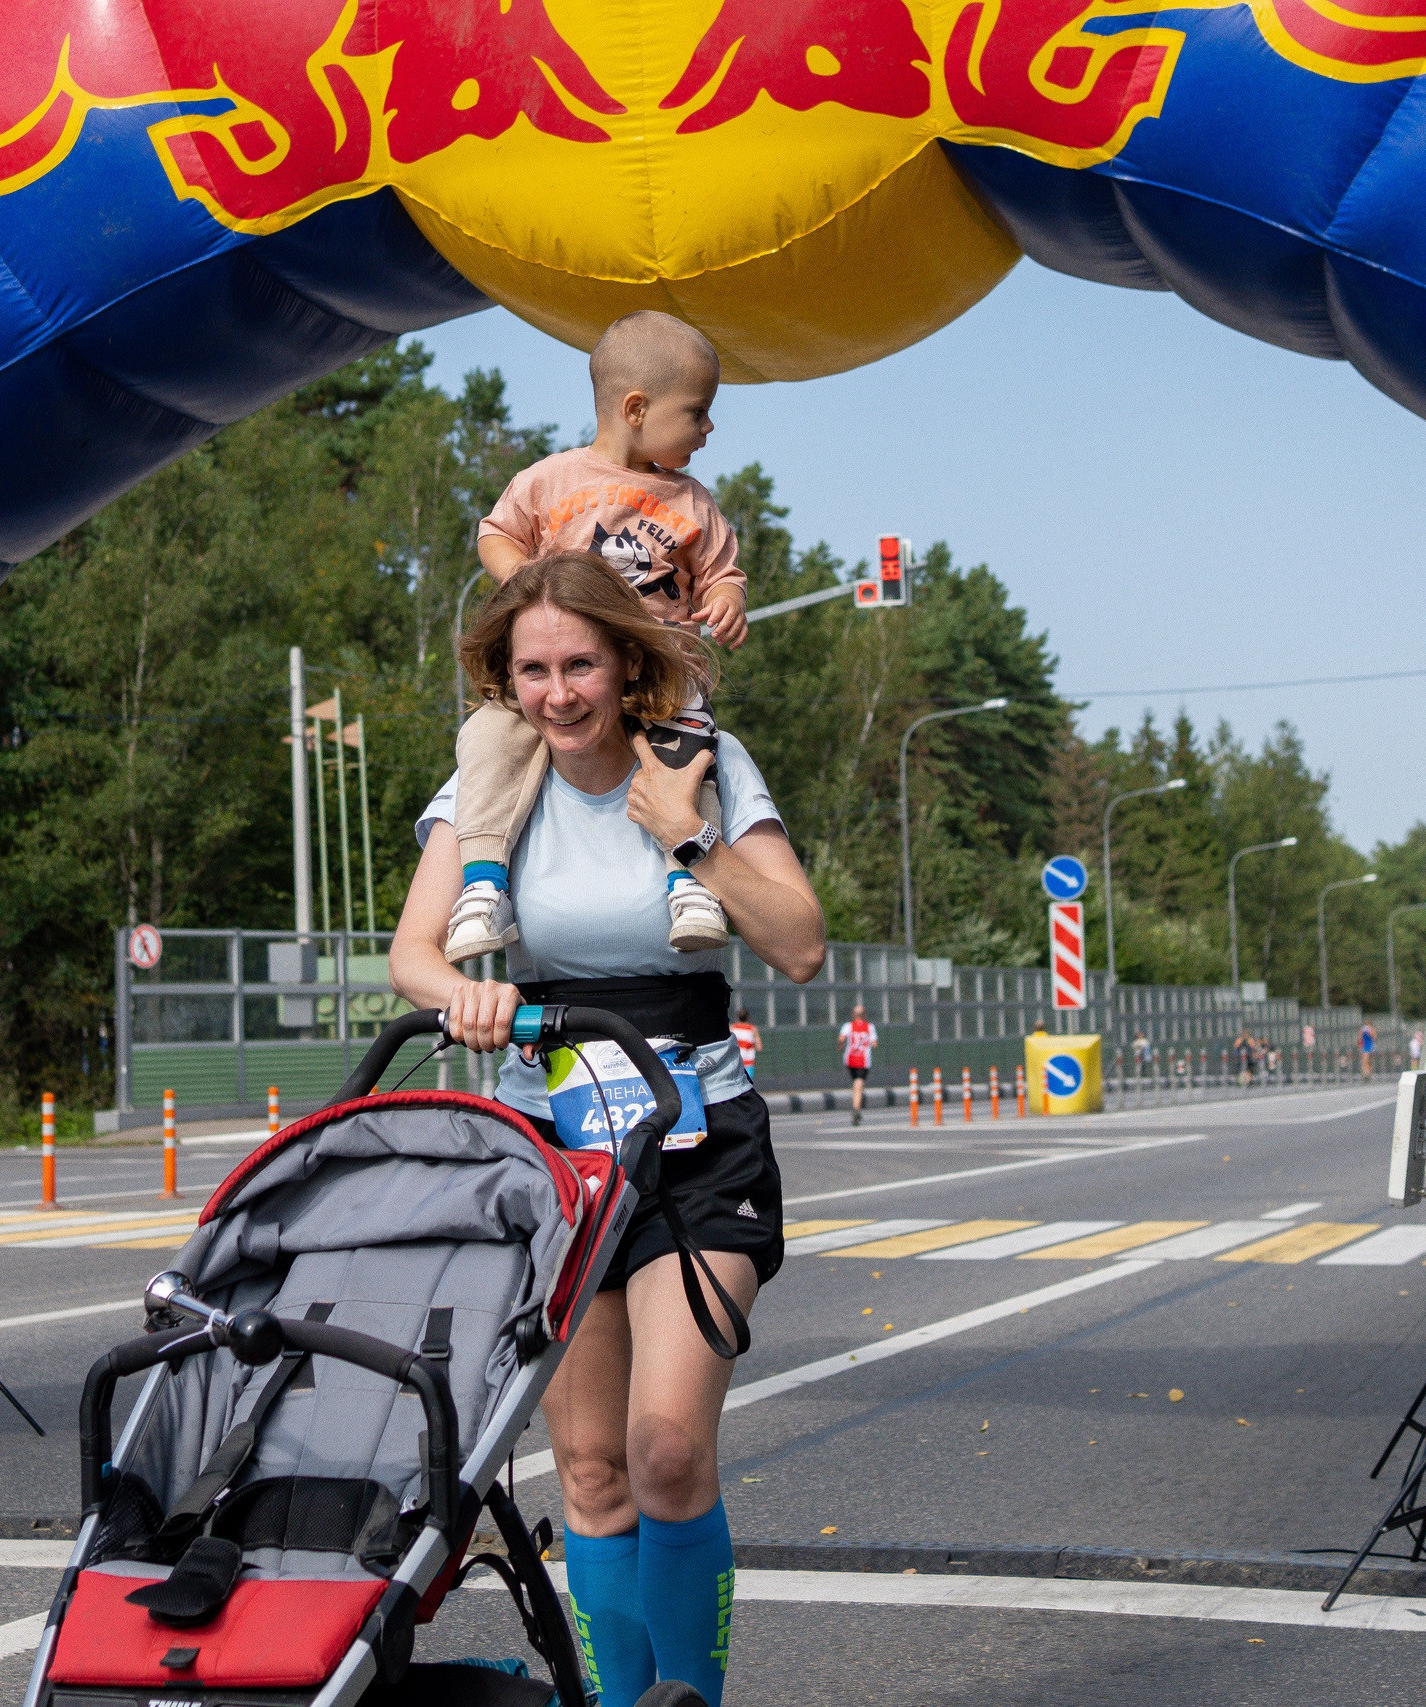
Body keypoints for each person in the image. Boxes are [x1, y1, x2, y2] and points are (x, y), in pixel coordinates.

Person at [391, 552, 824, 1707]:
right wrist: (463, 996)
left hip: (695, 1134)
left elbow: (798, 942)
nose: (557, 693)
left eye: (579, 663)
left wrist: (689, 840)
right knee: (589, 1470)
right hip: (554, 1149)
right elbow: (413, 954)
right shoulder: (489, 786)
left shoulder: (701, 761)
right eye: (531, 669)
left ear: (627, 661)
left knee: (667, 1448)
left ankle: (688, 1699)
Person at [444, 310, 750, 967]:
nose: (708, 428)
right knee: (489, 734)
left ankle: (689, 881)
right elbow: (494, 533)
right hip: (576, 668)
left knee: (689, 749)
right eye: (697, 412)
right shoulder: (550, 481)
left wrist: (724, 604)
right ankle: (483, 883)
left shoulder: (695, 503)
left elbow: (724, 574)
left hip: (662, 672)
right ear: (636, 407)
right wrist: (525, 579)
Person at [838, 1003, 877, 1126]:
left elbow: (841, 1039)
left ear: (853, 1015)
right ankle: (856, 1108)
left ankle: (856, 1105)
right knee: (859, 1083)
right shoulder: (869, 1027)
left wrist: (840, 1046)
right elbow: (874, 1043)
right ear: (864, 1015)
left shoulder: (848, 1026)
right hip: (863, 1060)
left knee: (856, 1083)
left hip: (850, 1059)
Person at [730, 1005, 762, 1082]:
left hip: (735, 1061)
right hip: (748, 1062)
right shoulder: (752, 1029)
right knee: (747, 1084)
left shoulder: (732, 1028)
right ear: (748, 1017)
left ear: (737, 1017)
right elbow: (759, 1047)